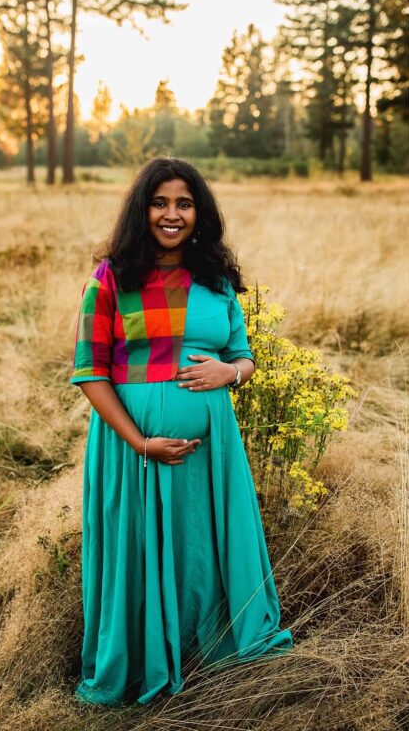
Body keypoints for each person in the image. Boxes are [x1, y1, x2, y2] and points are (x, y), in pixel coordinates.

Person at [71, 157, 292, 705]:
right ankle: (141, 655)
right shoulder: (111, 278)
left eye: (184, 204)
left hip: (210, 450)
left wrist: (228, 372)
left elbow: (244, 358)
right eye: (160, 202)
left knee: (202, 547)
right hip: (133, 450)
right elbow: (89, 372)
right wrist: (139, 441)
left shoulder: (216, 282)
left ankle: (204, 648)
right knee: (139, 547)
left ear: (201, 213)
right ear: (141, 209)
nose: (172, 215)